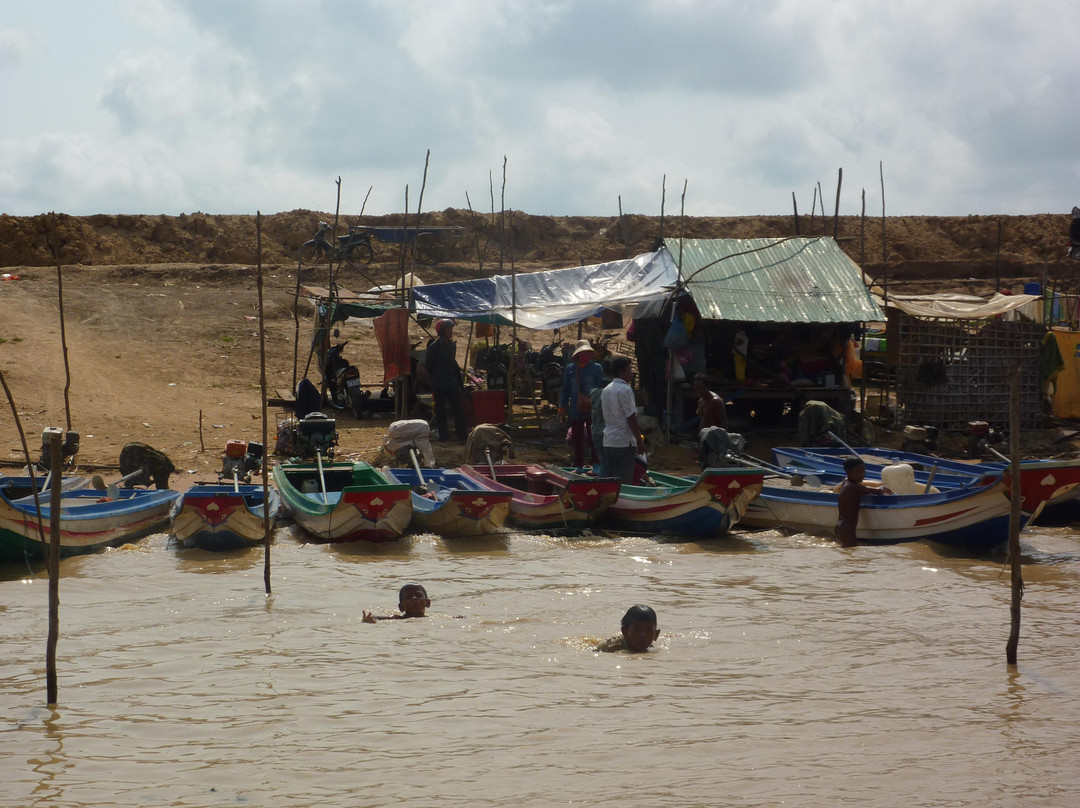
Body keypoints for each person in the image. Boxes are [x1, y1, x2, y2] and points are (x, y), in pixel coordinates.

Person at [558, 339, 605, 467]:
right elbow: (566, 389)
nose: (587, 355)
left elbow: (602, 387)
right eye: (584, 353)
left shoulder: (596, 368)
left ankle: (596, 465)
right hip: (575, 409)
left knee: (593, 437)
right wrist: (562, 407)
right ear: (578, 354)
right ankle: (578, 465)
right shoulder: (570, 369)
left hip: (593, 408)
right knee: (577, 439)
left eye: (588, 352)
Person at [601, 356, 645, 484]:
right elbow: (631, 417)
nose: (632, 373)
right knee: (624, 479)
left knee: (610, 477)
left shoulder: (606, 390)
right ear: (622, 372)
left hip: (609, 440)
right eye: (629, 369)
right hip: (624, 441)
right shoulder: (625, 389)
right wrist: (639, 441)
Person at [425, 319, 466, 443]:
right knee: (440, 410)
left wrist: (458, 381)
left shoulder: (452, 345)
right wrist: (437, 376)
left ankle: (462, 435)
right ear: (442, 331)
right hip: (439, 384)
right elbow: (429, 365)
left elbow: (453, 364)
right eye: (448, 329)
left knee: (458, 409)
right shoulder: (435, 347)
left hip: (452, 383)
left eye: (451, 329)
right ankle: (443, 435)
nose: (451, 331)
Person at [835, 457, 890, 548]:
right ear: (849, 472)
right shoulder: (854, 487)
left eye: (864, 471)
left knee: (847, 553)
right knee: (850, 553)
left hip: (841, 527)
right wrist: (882, 489)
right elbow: (873, 491)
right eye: (858, 471)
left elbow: (863, 489)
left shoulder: (846, 482)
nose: (862, 474)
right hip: (847, 529)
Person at [595, 604, 661, 653]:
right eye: (636, 630)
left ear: (656, 634)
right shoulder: (611, 647)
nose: (642, 635)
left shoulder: (650, 648)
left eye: (648, 630)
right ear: (625, 632)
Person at [590, 356, 614, 477]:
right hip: (608, 433)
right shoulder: (613, 390)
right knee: (607, 464)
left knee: (604, 462)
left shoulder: (594, 391)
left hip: (596, 432)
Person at [362, 582, 431, 622]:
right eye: (408, 597)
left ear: (427, 603)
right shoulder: (398, 619)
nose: (414, 598)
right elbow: (376, 618)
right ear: (401, 607)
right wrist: (367, 620)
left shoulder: (431, 619)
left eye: (418, 595)